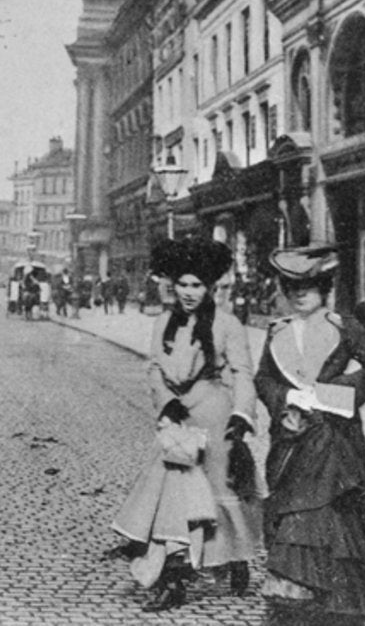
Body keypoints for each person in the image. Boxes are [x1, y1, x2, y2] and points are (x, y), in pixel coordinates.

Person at [112, 237, 261, 612]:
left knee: (218, 495)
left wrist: (242, 416)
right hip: (178, 420)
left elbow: (243, 373)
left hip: (216, 418)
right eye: (183, 284)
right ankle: (173, 580)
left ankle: (236, 557)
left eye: (197, 285)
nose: (189, 292)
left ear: (210, 287)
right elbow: (154, 368)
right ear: (172, 285)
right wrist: (167, 402)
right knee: (174, 498)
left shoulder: (227, 325)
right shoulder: (164, 321)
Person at [255, 244, 365, 626]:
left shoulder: (342, 325)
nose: (300, 293)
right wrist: (285, 399)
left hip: (333, 440)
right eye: (291, 286)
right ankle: (296, 600)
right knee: (294, 511)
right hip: (291, 442)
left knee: (330, 516)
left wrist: (328, 395)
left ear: (324, 288)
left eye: (310, 286)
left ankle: (336, 603)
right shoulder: (277, 332)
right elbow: (263, 378)